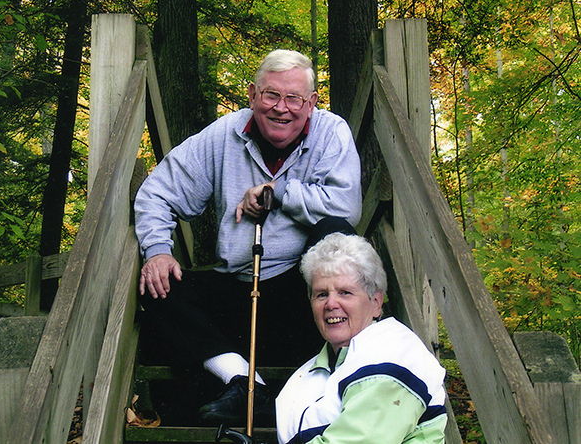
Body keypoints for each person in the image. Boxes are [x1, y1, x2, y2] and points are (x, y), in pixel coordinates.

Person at [134, 49, 362, 423]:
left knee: (334, 235)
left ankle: (344, 372)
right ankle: (243, 380)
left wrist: (277, 193)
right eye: (271, 95)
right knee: (157, 283)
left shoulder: (331, 131)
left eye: (294, 98)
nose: (281, 108)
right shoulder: (224, 134)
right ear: (253, 95)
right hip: (236, 289)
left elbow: (345, 207)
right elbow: (158, 191)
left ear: (312, 103)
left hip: (303, 297)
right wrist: (158, 249)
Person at [275, 233, 447, 443]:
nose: (331, 304)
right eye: (321, 294)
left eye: (345, 292)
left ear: (376, 302)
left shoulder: (393, 353)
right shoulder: (306, 375)